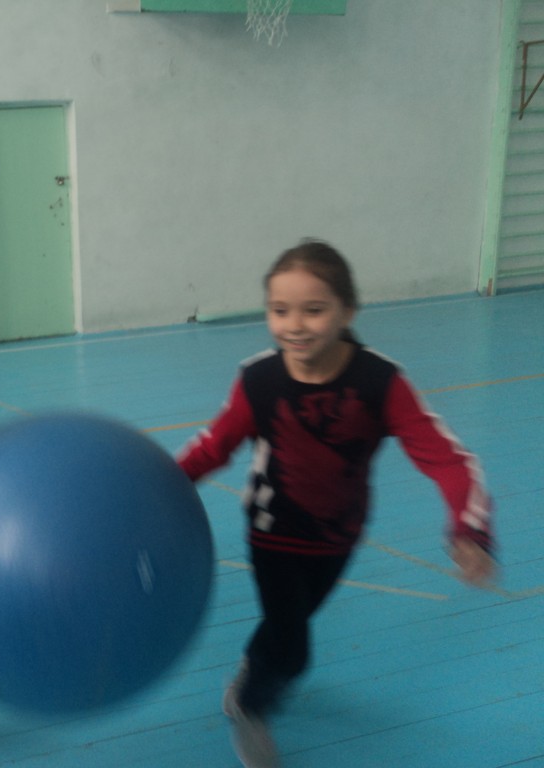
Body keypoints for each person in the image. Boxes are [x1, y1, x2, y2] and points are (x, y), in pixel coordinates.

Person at [175, 240, 495, 768]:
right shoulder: (260, 379)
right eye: (280, 310)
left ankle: (257, 663)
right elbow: (213, 447)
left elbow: (448, 459)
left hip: (337, 539)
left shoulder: (380, 383)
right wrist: (162, 483)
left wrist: (469, 528)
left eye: (314, 310)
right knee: (293, 647)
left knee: (288, 624)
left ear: (347, 311)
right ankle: (250, 705)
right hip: (273, 534)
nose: (294, 325)